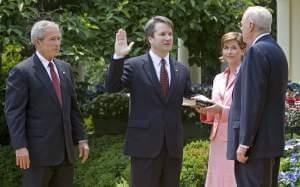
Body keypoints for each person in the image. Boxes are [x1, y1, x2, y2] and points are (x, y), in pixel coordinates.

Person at [105, 16, 193, 187]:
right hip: (144, 146)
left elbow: (189, 97)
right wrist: (118, 57)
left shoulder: (181, 69)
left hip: (173, 147)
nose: (168, 38)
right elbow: (112, 87)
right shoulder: (133, 65)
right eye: (162, 34)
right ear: (150, 38)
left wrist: (206, 104)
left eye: (170, 34)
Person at [4, 20, 89, 187]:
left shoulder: (65, 68)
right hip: (37, 155)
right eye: (52, 39)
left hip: (65, 153)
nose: (58, 43)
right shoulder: (22, 72)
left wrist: (82, 138)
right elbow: (14, 113)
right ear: (38, 42)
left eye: (59, 39)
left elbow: (72, 108)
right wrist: (20, 146)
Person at [227, 6, 288, 187]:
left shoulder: (256, 51)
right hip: (270, 143)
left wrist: (245, 143)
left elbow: (252, 101)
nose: (241, 28)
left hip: (254, 146)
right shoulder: (277, 51)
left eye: (242, 24)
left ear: (251, 25)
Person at [195, 32, 245, 187]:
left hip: (237, 136)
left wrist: (221, 110)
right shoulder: (218, 78)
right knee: (216, 179)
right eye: (226, 47)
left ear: (242, 50)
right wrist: (205, 111)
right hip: (217, 138)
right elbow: (215, 109)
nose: (229, 51)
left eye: (234, 48)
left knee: (233, 179)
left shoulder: (247, 75)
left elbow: (247, 110)